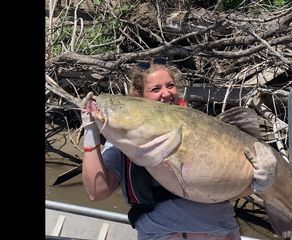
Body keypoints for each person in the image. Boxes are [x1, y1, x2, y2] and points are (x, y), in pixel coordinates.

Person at [81, 60, 276, 240]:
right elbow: (96, 192)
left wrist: (260, 184)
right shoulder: (120, 142)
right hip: (164, 235)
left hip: (222, 232)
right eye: (156, 89)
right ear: (139, 97)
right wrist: (90, 132)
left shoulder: (204, 129)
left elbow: (221, 189)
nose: (166, 93)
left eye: (170, 86)